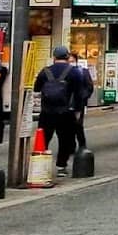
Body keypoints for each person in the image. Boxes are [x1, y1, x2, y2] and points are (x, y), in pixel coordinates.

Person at [34, 46, 87, 174]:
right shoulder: (74, 72)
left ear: (54, 57)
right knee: (65, 139)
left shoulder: (45, 71)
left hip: (46, 111)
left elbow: (36, 88)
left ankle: (40, 165)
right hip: (66, 111)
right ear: (68, 57)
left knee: (44, 138)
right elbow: (80, 93)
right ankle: (61, 166)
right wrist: (78, 110)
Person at [68, 53, 94, 149]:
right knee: (67, 127)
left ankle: (82, 145)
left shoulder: (83, 72)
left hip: (79, 103)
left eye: (72, 61)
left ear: (76, 61)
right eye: (69, 61)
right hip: (66, 104)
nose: (70, 63)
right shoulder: (65, 73)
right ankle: (71, 145)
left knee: (78, 126)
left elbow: (89, 87)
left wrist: (83, 97)